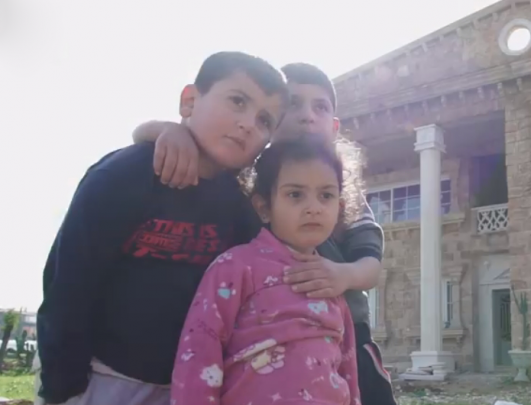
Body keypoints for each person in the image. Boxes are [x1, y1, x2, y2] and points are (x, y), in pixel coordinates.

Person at [132, 63, 397, 405]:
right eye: (294, 104)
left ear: (334, 126)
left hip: (347, 333)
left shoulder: (343, 191)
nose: (307, 116)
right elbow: (201, 347)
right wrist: (167, 130)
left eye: (319, 107)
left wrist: (341, 276)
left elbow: (371, 265)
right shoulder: (249, 182)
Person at [35, 51, 288, 405]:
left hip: (184, 387)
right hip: (99, 377)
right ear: (190, 101)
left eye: (264, 120)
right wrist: (63, 387)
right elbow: (69, 282)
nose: (248, 123)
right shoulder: (124, 175)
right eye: (237, 101)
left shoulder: (241, 211)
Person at [171, 135, 362, 405]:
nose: (313, 208)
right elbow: (199, 353)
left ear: (339, 208)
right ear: (263, 207)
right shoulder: (236, 268)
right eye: (295, 194)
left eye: (326, 196)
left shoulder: (333, 284)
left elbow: (348, 370)